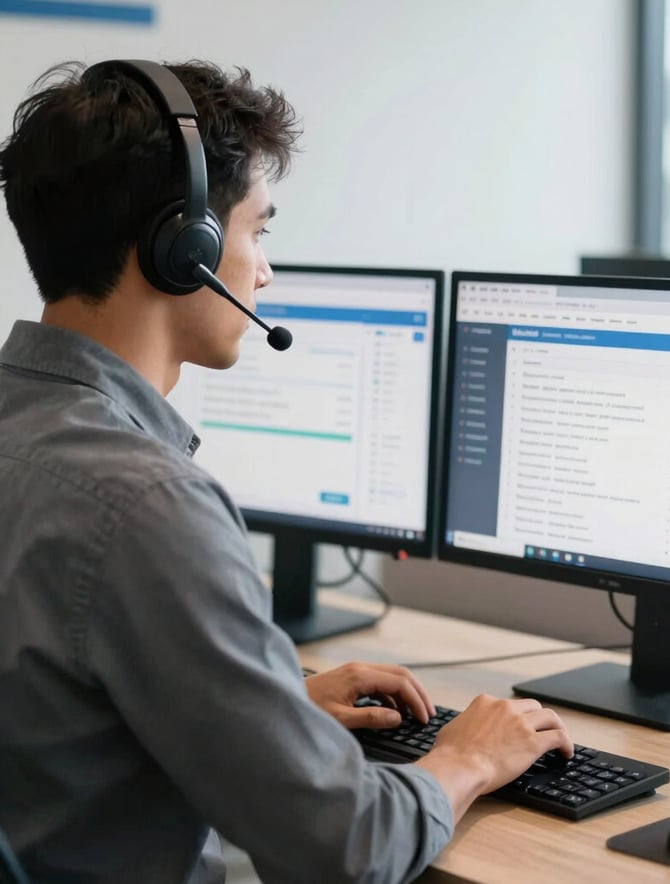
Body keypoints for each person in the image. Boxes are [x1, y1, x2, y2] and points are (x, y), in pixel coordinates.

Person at [0, 59, 573, 884]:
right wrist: (469, 759)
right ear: (182, 246)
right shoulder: (147, 505)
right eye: (258, 231)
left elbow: (46, 723)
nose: (264, 271)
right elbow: (345, 853)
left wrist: (269, 715)